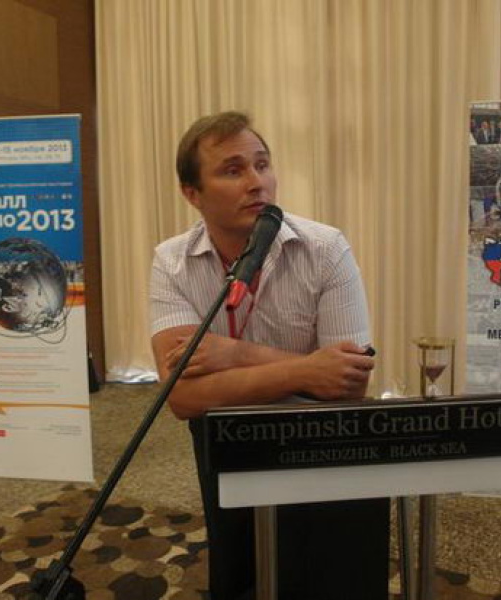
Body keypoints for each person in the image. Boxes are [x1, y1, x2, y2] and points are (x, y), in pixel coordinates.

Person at [149, 111, 390, 600]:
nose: (256, 182)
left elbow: (348, 383)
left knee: (323, 575)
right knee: (241, 573)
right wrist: (305, 370)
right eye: (232, 170)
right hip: (228, 438)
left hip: (321, 436)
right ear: (192, 194)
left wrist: (235, 353)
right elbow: (183, 398)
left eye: (262, 165)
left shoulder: (325, 248)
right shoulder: (171, 262)